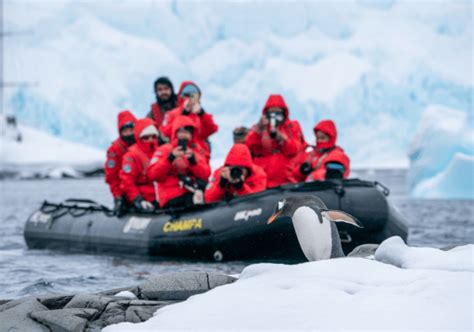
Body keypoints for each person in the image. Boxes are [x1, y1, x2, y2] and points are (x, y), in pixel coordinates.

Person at [148, 116, 211, 209]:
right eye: (181, 131)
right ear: (175, 133)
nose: (184, 135)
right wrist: (170, 158)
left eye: (187, 131)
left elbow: (206, 174)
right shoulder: (164, 150)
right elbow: (153, 175)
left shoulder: (195, 152)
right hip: (170, 197)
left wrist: (193, 162)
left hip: (192, 193)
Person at [245, 94, 304, 188]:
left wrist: (281, 138)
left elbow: (295, 150)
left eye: (278, 114)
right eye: (271, 114)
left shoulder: (292, 127)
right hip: (262, 180)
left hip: (285, 179)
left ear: (284, 113)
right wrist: (258, 131)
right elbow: (250, 148)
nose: (275, 117)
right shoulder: (259, 128)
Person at [160, 81, 218, 154]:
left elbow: (212, 129)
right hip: (178, 152)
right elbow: (165, 133)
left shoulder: (201, 114)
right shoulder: (172, 113)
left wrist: (202, 114)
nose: (190, 98)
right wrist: (184, 114)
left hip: (199, 154)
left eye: (193, 94)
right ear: (181, 96)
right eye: (186, 94)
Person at [120, 118, 160, 212]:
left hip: (161, 196)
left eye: (153, 136)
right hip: (146, 197)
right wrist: (138, 199)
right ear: (139, 137)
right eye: (146, 137)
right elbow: (127, 181)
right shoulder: (131, 156)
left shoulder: (160, 152)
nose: (150, 140)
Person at [105, 110, 137, 215]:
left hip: (143, 190)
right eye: (125, 131)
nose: (129, 134)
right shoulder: (114, 150)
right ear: (120, 132)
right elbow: (112, 177)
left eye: (131, 130)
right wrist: (118, 196)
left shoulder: (143, 143)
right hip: (125, 192)